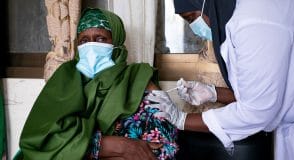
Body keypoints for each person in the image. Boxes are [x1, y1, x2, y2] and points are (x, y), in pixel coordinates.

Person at [145, 0, 294, 160]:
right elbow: (261, 92)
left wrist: (181, 119)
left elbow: (257, 110)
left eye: (192, 18)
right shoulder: (240, 16)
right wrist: (213, 93)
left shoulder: (256, 15)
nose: (196, 28)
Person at [14, 8, 178, 160]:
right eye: (84, 40)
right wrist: (120, 146)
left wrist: (83, 150)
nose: (91, 46)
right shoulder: (65, 78)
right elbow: (42, 139)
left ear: (116, 42)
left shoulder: (138, 80)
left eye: (100, 38)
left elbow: (163, 150)